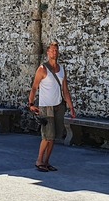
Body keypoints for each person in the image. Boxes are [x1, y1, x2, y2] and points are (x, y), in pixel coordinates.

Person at [28, 41, 76, 172]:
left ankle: (47, 161)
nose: (54, 53)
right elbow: (34, 87)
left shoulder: (61, 70)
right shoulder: (42, 69)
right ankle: (39, 161)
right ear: (48, 52)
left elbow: (65, 90)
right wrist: (31, 104)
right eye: (52, 50)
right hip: (46, 106)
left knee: (54, 136)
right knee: (47, 136)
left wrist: (71, 107)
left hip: (58, 106)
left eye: (56, 50)